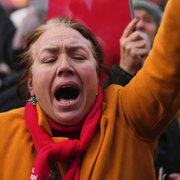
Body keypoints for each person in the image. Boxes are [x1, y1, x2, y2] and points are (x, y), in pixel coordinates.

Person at [0, 0, 180, 179]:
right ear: (30, 84)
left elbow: (171, 52)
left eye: (78, 56)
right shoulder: (4, 132)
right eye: (49, 59)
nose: (64, 66)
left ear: (96, 75)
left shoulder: (129, 115)